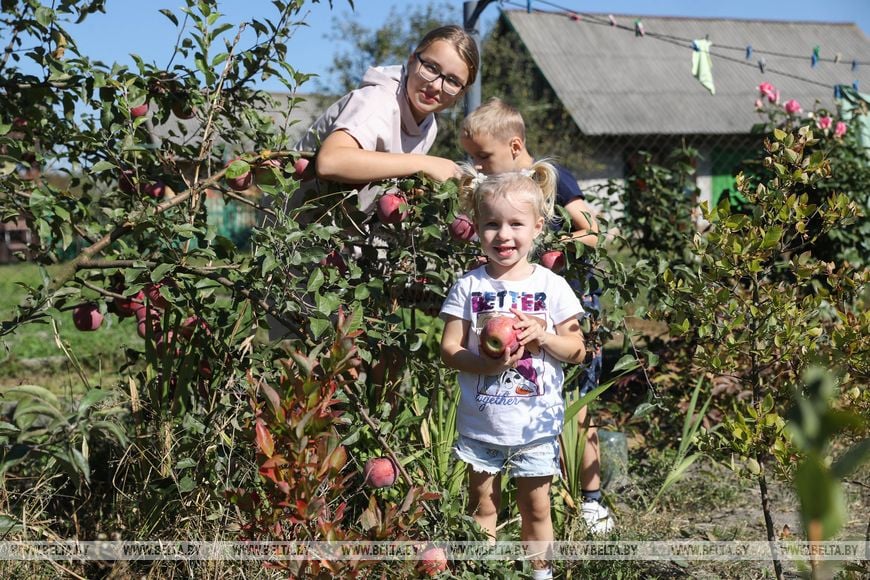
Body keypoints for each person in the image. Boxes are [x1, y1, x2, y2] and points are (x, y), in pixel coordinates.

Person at [460, 97, 613, 534]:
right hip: (512, 309)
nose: (477, 165)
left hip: (564, 302)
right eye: (472, 157)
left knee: (577, 403)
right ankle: (539, 492)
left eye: (483, 156)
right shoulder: (495, 192)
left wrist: (553, 257)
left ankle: (592, 500)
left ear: (513, 146)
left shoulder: (555, 179)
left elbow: (591, 232)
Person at [440, 161, 586, 580]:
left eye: (516, 224)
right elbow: (449, 349)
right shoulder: (469, 286)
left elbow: (576, 349)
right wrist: (482, 360)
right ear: (476, 226)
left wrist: (543, 337)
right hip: (481, 424)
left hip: (533, 428)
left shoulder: (551, 286)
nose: (503, 236)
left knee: (536, 506)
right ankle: (481, 572)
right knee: (481, 504)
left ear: (538, 227)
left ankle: (541, 574)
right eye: (491, 225)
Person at [295, 24, 479, 186]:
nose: (436, 86)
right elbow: (330, 161)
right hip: (286, 221)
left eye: (453, 81)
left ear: (462, 92)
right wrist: (425, 164)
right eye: (431, 68)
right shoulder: (378, 101)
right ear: (412, 60)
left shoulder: (428, 124)